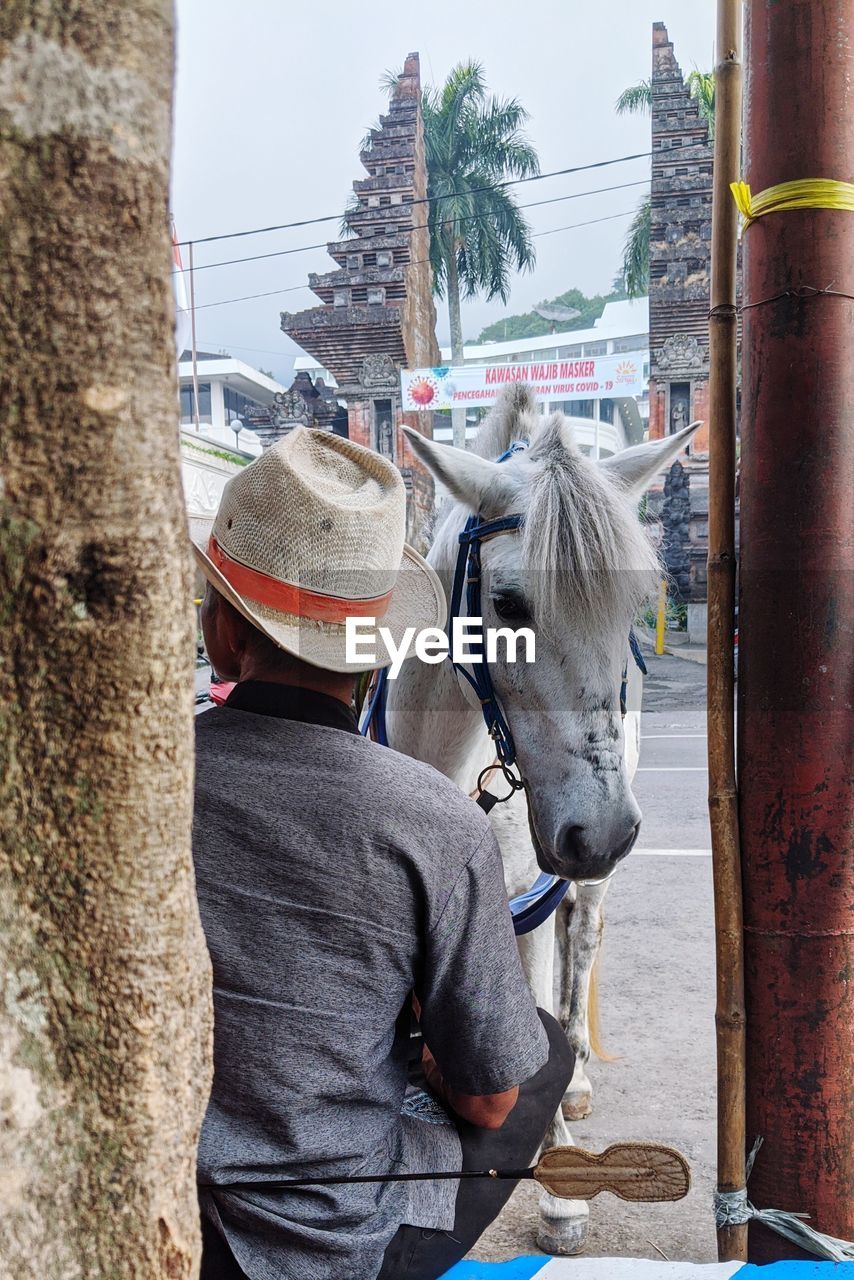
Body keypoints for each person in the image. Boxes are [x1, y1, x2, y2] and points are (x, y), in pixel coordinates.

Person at [192, 427, 574, 1280]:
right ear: (376, 648)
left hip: (165, 1193)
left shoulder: (147, 783)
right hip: (330, 1238)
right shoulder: (438, 822)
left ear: (221, 632)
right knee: (539, 1055)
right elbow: (487, 1097)